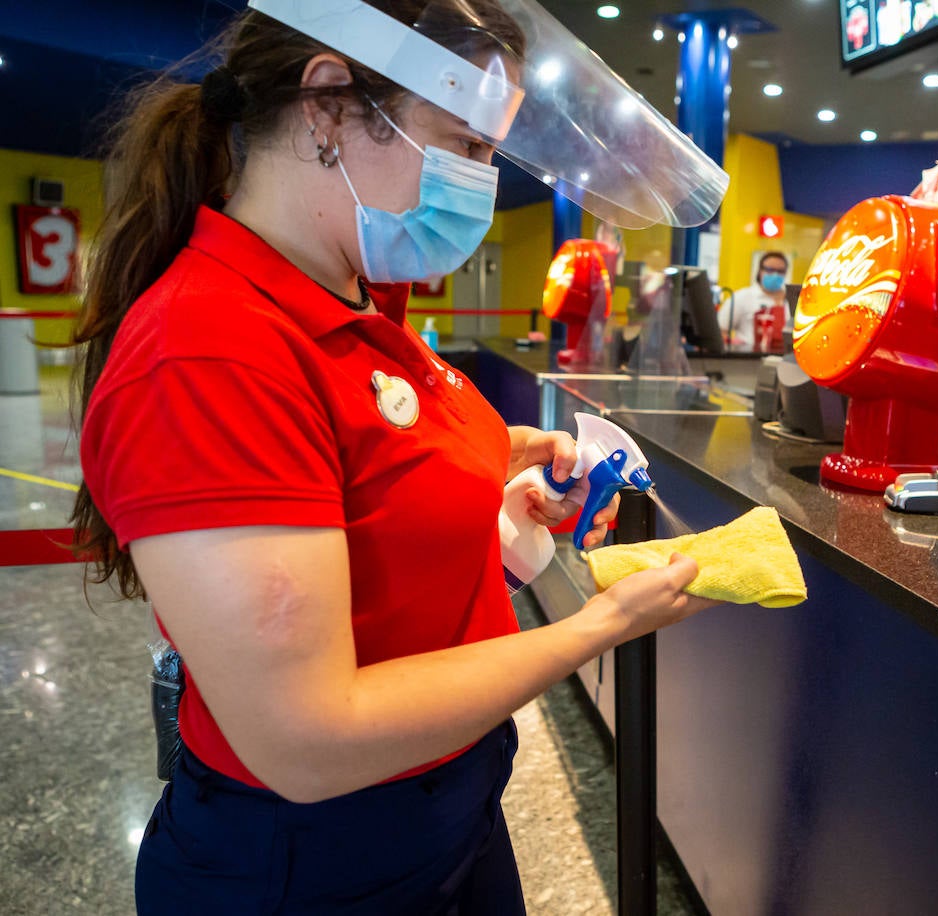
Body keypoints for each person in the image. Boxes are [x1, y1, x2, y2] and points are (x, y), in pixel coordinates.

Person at [70, 2, 722, 913]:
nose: (482, 180)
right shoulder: (208, 350)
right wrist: (597, 628)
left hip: (447, 808)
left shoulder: (353, 297)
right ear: (331, 102)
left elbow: (367, 472)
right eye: (465, 143)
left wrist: (495, 468)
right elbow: (309, 737)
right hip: (317, 862)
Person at [719, 250, 792, 352]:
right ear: (760, 271)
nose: (775, 275)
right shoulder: (741, 297)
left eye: (780, 271)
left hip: (784, 358)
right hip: (749, 360)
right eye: (770, 270)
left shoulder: (792, 301)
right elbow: (720, 330)